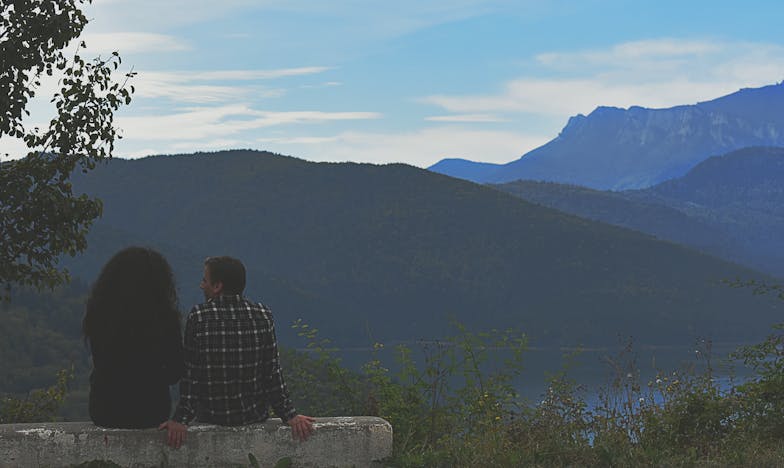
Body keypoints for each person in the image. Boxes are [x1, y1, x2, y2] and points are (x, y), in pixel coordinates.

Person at [159, 256, 315, 448]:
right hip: (254, 417)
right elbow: (271, 373)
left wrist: (180, 419)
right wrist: (290, 415)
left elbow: (192, 375)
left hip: (211, 417)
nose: (201, 285)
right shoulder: (263, 315)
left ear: (217, 286)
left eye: (205, 280)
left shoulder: (199, 317)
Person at [83, 246, 184, 428]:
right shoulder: (165, 319)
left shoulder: (100, 315)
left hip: (104, 410)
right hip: (150, 411)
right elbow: (175, 372)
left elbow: (100, 361)